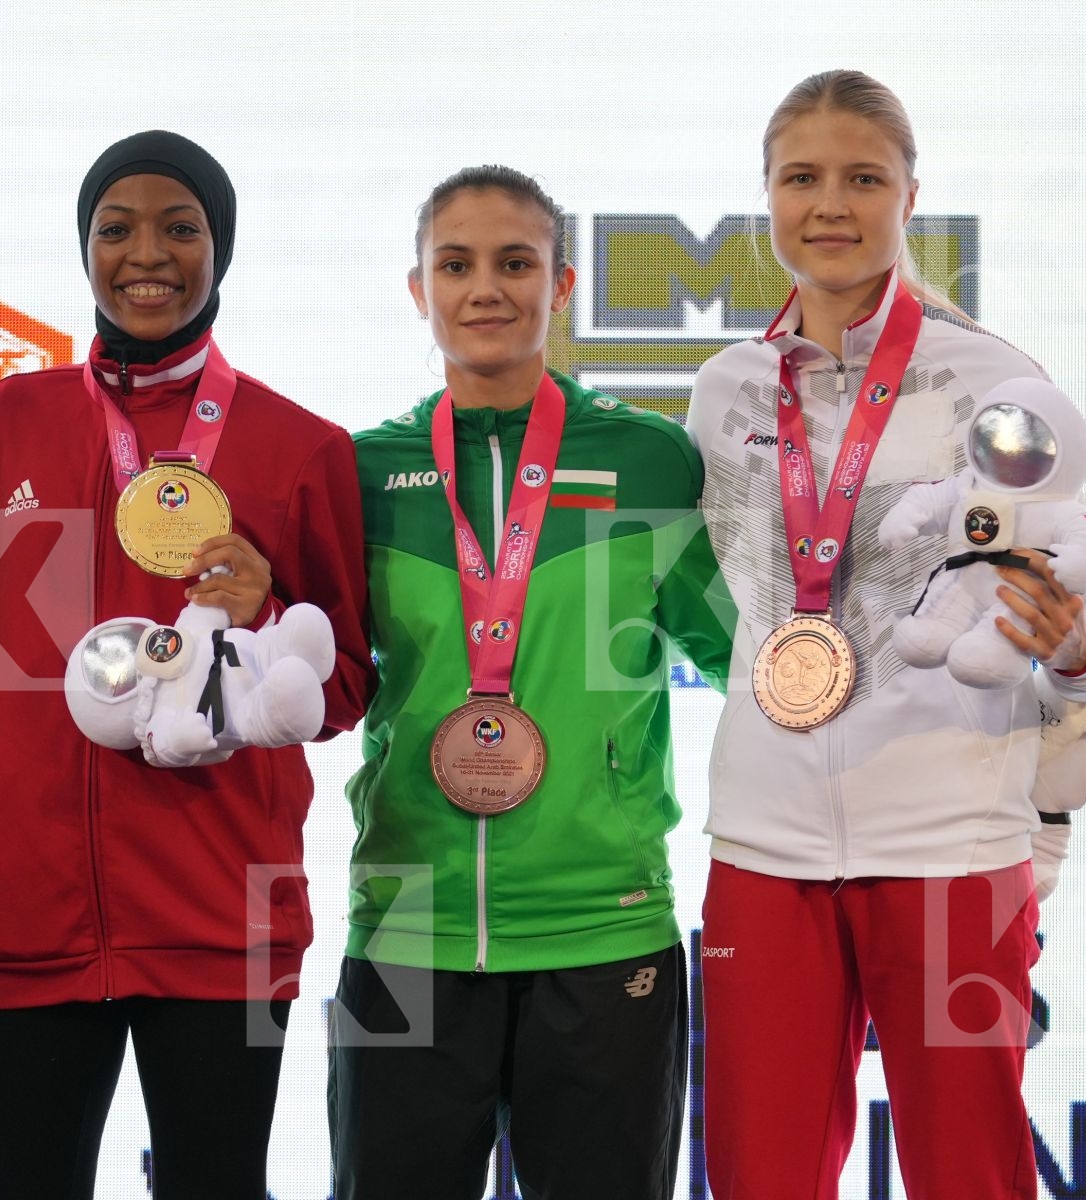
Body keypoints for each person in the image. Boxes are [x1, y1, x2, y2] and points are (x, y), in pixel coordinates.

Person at [687, 70, 1086, 1200]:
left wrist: (1073, 643)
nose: (829, 206)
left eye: (862, 178)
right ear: (767, 198)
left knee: (969, 1173)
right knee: (759, 1177)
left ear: (909, 196)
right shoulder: (724, 391)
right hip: (765, 843)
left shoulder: (995, 380)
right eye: (802, 178)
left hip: (952, 847)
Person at [0, 129, 373, 1200]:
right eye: (116, 228)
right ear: (84, 249)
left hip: (219, 907)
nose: (149, 254)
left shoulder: (298, 445)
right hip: (30, 909)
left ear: (219, 248)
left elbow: (344, 686)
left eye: (181, 228)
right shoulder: (6, 423)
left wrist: (261, 625)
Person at [331, 165, 735, 1200]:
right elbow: (312, 676)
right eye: (455, 264)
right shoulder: (363, 473)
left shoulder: (648, 460)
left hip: (604, 928)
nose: (485, 288)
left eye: (517, 263)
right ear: (418, 289)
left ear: (561, 287)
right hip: (409, 923)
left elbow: (746, 651)